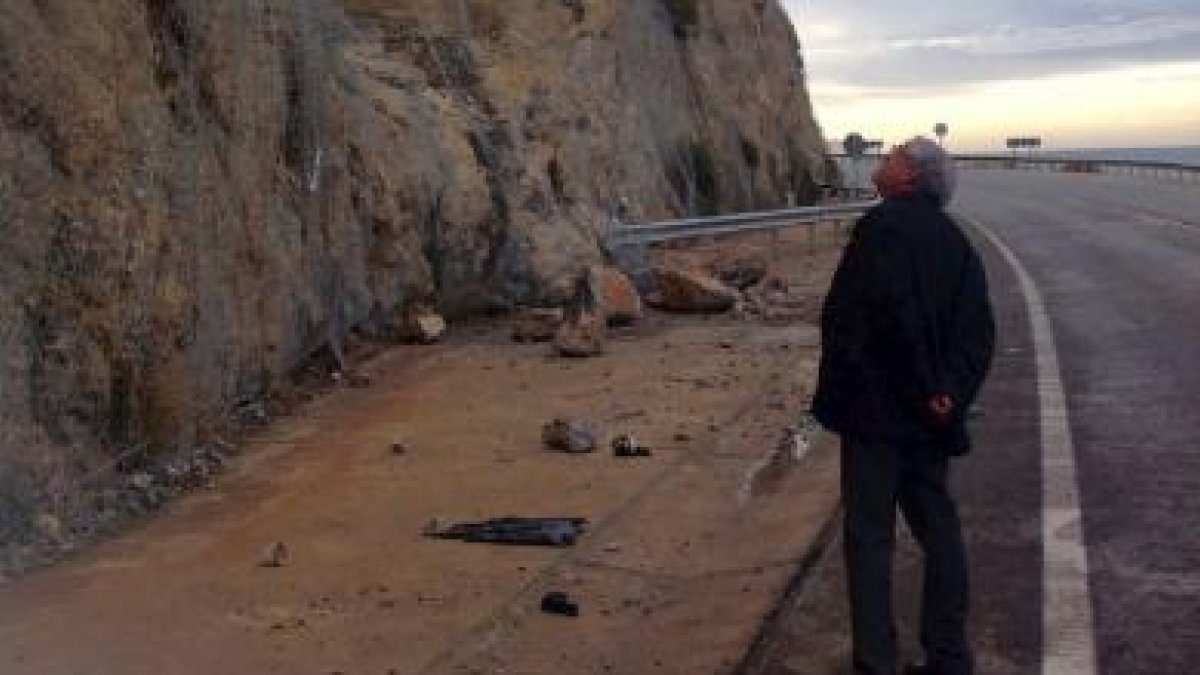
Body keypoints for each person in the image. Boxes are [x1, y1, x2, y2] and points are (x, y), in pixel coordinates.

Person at [812, 137, 995, 675]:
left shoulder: (880, 228)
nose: (880, 162)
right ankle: (949, 655)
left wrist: (912, 388)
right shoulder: (956, 244)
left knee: (869, 537)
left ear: (910, 176)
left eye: (890, 157)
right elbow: (978, 334)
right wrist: (949, 395)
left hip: (877, 417)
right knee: (938, 529)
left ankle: (877, 662)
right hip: (930, 419)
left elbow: (871, 318)